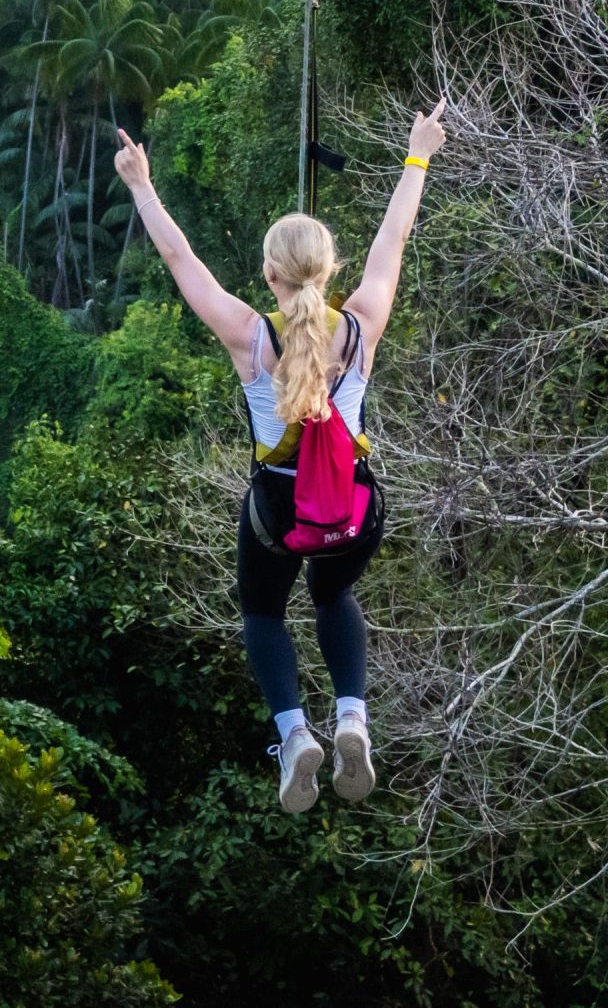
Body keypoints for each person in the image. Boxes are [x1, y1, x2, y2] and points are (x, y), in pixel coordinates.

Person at [113, 102, 447, 813]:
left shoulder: (249, 335)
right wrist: (417, 153)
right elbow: (395, 237)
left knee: (264, 613)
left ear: (269, 273)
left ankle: (295, 734)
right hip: (356, 506)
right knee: (334, 594)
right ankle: (352, 715)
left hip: (277, 510)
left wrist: (142, 182)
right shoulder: (361, 325)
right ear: (329, 271)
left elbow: (180, 259)